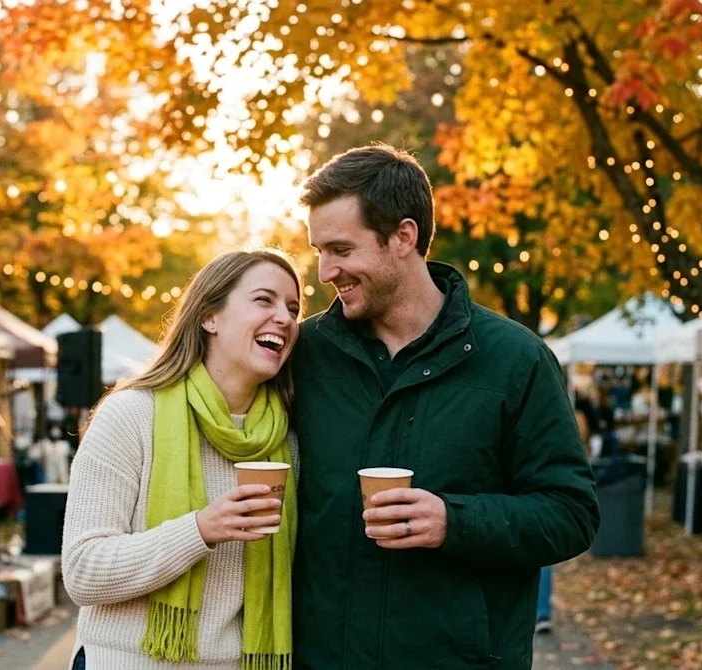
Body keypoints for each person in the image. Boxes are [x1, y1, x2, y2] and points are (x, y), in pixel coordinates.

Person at [289, 144, 600, 668]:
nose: (325, 271)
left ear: (404, 237)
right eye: (319, 250)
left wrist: (453, 520)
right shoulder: (305, 355)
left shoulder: (516, 359)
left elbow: (570, 513)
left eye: (341, 249)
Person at [61, 250, 303, 669]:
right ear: (210, 317)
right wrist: (201, 529)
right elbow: (83, 571)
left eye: (293, 308)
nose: (284, 317)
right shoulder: (132, 415)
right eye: (264, 300)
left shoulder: (287, 439)